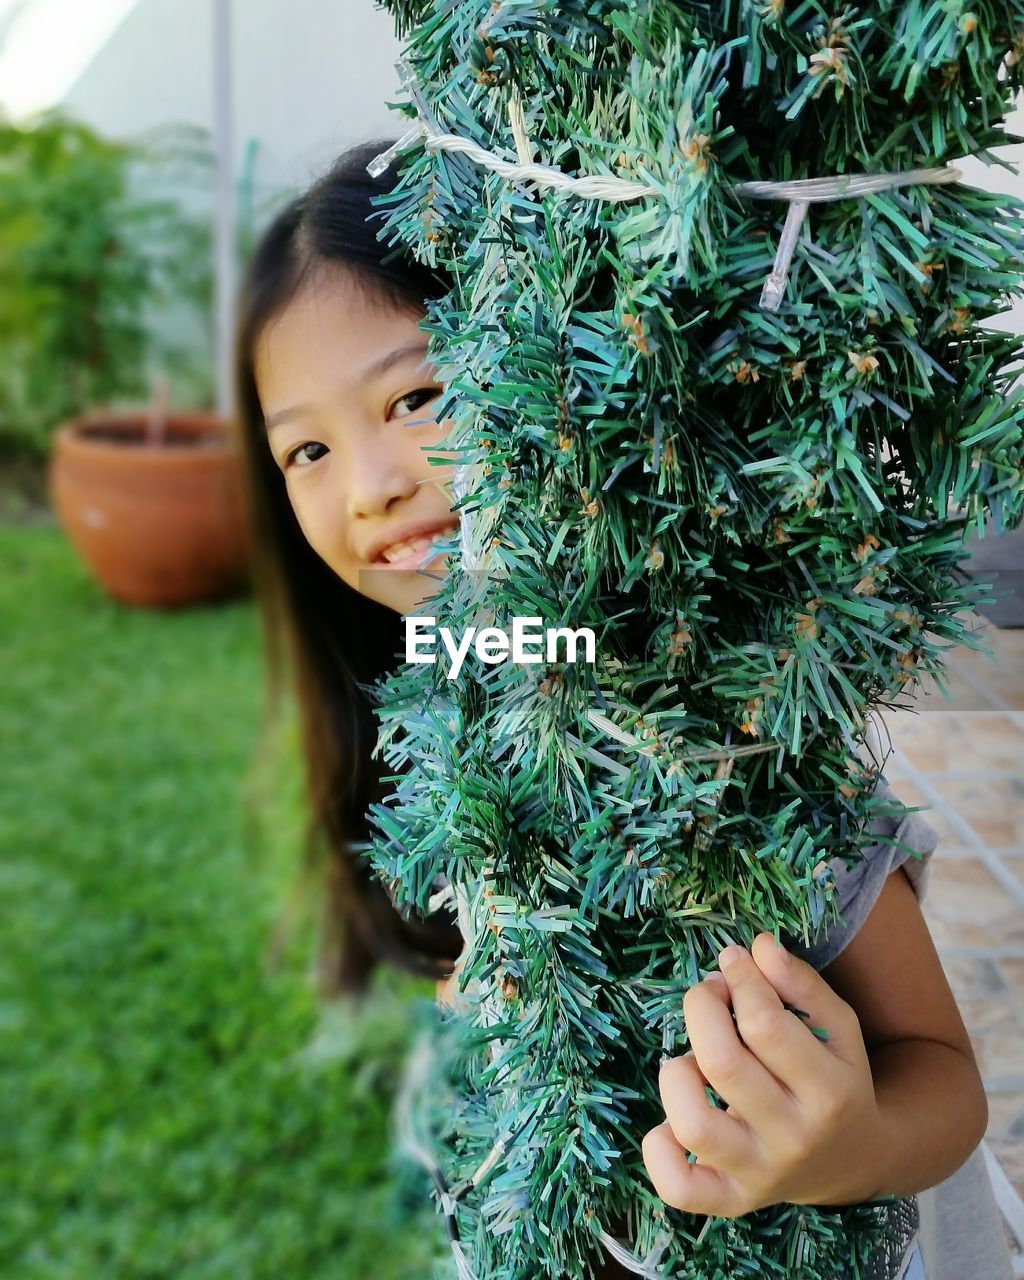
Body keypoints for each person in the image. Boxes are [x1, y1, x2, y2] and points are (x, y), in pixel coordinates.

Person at [233, 137, 1015, 1280]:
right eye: (305, 446)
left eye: (418, 394)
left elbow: (939, 1074)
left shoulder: (715, 731)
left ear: (565, 370)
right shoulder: (425, 719)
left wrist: (847, 1145)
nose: (370, 485)